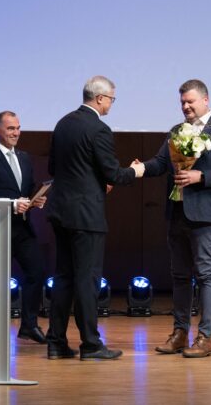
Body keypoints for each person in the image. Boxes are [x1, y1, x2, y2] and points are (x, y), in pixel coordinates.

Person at [136, 79, 211, 358]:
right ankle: (180, 333)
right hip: (177, 212)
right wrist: (139, 169)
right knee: (180, 276)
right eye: (182, 102)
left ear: (205, 100)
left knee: (206, 274)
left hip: (207, 216)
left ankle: (205, 337)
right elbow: (161, 164)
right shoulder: (177, 131)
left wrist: (202, 176)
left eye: (190, 101)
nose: (185, 106)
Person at [46, 75, 144, 360]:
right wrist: (135, 172)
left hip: (61, 212)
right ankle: (90, 345)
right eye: (112, 98)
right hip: (86, 215)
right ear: (100, 98)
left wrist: (93, 181)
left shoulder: (63, 123)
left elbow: (55, 167)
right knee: (87, 281)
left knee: (63, 278)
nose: (112, 103)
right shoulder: (99, 129)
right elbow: (112, 173)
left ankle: (56, 343)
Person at [0, 111, 48, 344]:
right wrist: (13, 204)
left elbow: (26, 189)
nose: (16, 133)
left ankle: (29, 325)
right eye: (10, 129)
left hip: (23, 228)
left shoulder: (24, 157)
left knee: (36, 272)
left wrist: (35, 200)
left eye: (17, 128)